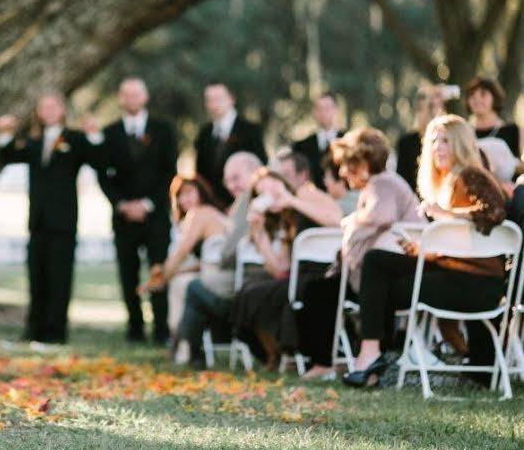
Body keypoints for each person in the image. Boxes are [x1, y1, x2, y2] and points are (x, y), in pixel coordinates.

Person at [343, 115, 508, 387]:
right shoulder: (447, 182)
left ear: (462, 143)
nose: (438, 147)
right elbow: (457, 246)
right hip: (454, 273)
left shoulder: (471, 174)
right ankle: (372, 354)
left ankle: (372, 357)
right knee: (377, 263)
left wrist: (445, 214)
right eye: (433, 141)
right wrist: (421, 249)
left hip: (476, 284)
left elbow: (495, 211)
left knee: (381, 282)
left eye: (445, 140)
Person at [296, 127, 423, 380]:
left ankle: (328, 362)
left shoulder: (382, 183)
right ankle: (330, 361)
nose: (342, 172)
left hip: (395, 270)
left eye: (345, 165)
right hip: (384, 269)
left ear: (362, 163)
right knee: (319, 290)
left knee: (318, 292)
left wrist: (351, 221)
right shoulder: (380, 184)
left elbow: (381, 216)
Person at [0, 92, 102, 344]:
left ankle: (56, 334)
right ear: (39, 112)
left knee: (59, 279)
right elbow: (8, 157)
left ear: (62, 110)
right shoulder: (33, 140)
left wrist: (95, 135)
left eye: (54, 106)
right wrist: (4, 133)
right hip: (37, 221)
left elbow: (98, 160)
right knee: (37, 278)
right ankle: (33, 331)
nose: (50, 111)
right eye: (45, 107)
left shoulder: (75, 139)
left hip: (64, 222)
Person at [229, 168, 335, 369]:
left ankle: (280, 355)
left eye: (271, 185)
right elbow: (280, 270)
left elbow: (336, 220)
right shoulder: (281, 222)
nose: (269, 194)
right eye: (261, 192)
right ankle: (273, 354)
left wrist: (291, 200)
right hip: (298, 277)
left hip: (324, 272)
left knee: (256, 294)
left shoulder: (305, 195)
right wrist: (258, 233)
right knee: (248, 293)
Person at [99, 78, 177, 344]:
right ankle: (134, 327)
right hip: (123, 218)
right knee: (127, 271)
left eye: (136, 94)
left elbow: (170, 172)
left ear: (145, 97)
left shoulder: (163, 130)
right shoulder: (109, 133)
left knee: (158, 270)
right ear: (121, 99)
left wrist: (147, 204)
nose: (131, 99)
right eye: (126, 94)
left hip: (155, 216)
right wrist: (123, 204)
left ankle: (161, 328)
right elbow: (104, 175)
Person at [173, 152, 263, 367]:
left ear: (254, 173)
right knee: (193, 286)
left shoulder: (248, 204)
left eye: (236, 178)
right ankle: (187, 348)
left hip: (246, 286)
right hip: (246, 280)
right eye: (227, 180)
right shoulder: (241, 205)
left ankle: (187, 348)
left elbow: (228, 254)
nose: (230, 185)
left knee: (194, 289)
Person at [138, 174, 230, 337]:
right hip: (222, 274)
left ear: (201, 192)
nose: (184, 199)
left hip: (220, 278)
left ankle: (181, 343)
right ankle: (180, 341)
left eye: (189, 192)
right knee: (180, 279)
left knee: (180, 283)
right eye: (179, 195)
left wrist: (163, 277)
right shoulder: (211, 213)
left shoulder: (200, 214)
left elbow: (181, 252)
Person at [194, 83, 267, 208]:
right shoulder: (204, 134)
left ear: (231, 99)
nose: (214, 104)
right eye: (209, 100)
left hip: (245, 204)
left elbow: (260, 167)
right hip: (214, 206)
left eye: (218, 99)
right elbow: (200, 173)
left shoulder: (250, 131)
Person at [395, 84, 450, 190]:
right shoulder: (407, 142)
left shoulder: (450, 138)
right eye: (428, 107)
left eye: (434, 106)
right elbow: (402, 180)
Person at [273, 149, 344, 227]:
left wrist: (291, 200)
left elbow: (336, 219)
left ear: (302, 175)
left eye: (286, 175)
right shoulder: (293, 199)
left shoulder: (305, 192)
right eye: (279, 176)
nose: (282, 181)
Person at [291, 92, 344, 186]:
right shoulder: (301, 147)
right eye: (319, 108)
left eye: (327, 108)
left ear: (336, 110)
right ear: (314, 112)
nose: (323, 112)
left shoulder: (347, 142)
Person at [465, 76, 520, 157]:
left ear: (495, 98)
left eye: (483, 94)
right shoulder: (463, 131)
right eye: (472, 95)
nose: (477, 99)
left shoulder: (513, 131)